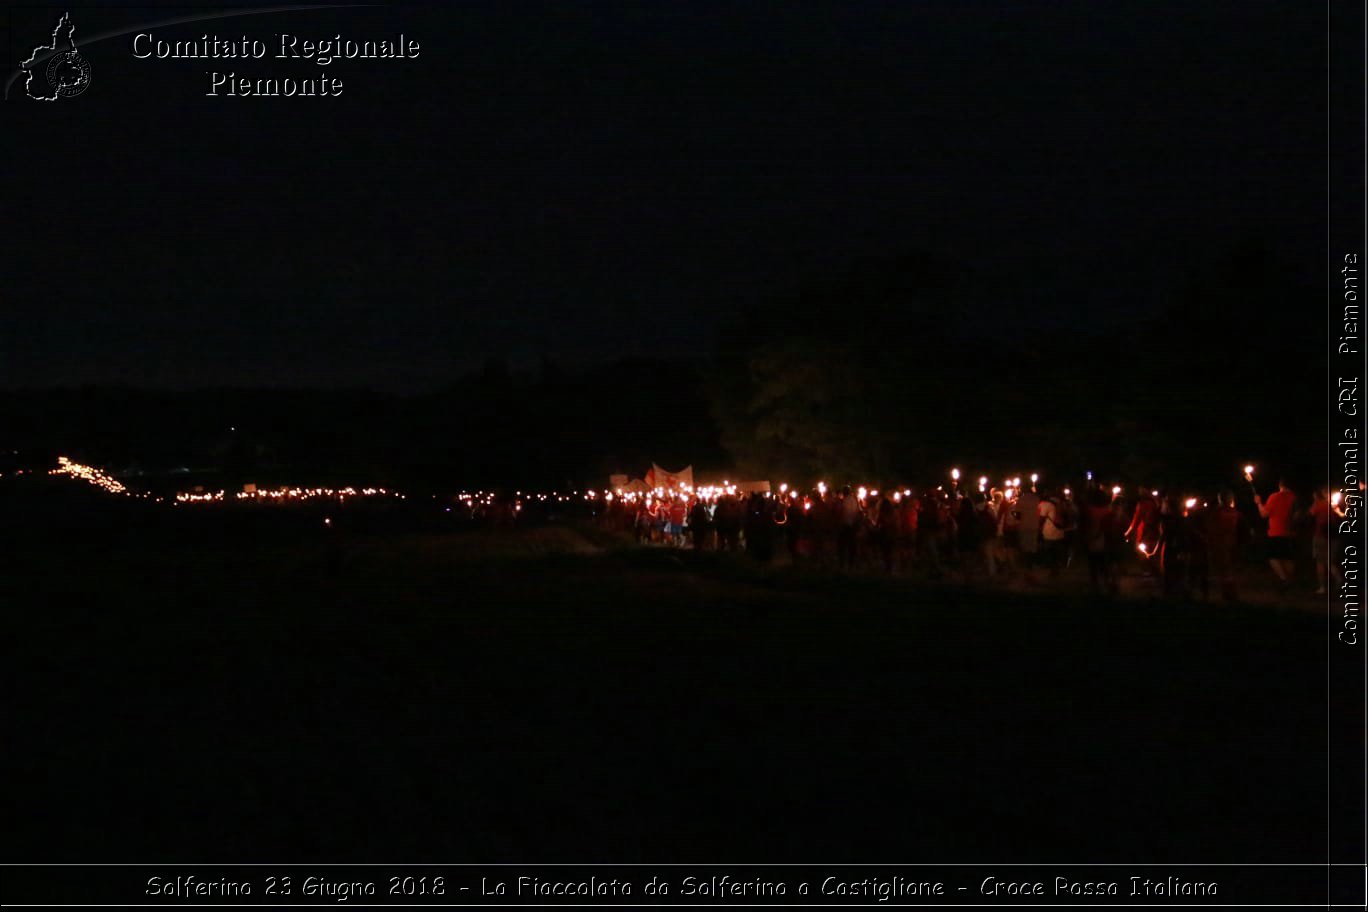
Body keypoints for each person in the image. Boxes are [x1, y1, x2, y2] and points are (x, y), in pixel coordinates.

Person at [1254, 478, 1298, 583]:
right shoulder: (1295, 498)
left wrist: (1259, 503)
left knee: (1273, 557)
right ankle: (1290, 580)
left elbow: (1264, 514)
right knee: (1287, 557)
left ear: (1280, 485)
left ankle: (1284, 579)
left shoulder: (1275, 497)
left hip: (1276, 532)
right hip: (1291, 532)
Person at [1203, 490, 1243, 602]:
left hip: (1220, 544)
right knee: (1228, 570)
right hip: (1231, 544)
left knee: (1224, 571)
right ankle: (1230, 594)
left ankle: (1228, 594)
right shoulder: (1236, 513)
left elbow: (1209, 528)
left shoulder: (1215, 513)